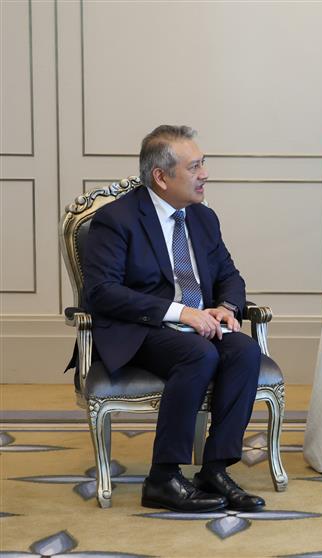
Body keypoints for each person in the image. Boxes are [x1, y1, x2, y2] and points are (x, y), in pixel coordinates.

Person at [82, 125, 264, 513]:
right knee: (199, 354)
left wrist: (226, 307)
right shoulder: (116, 220)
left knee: (245, 351)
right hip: (140, 329)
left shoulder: (202, 218)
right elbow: (102, 292)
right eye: (194, 167)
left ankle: (215, 469)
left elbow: (230, 275)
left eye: (203, 164)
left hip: (197, 325)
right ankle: (163, 478)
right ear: (161, 177)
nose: (205, 174)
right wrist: (182, 312)